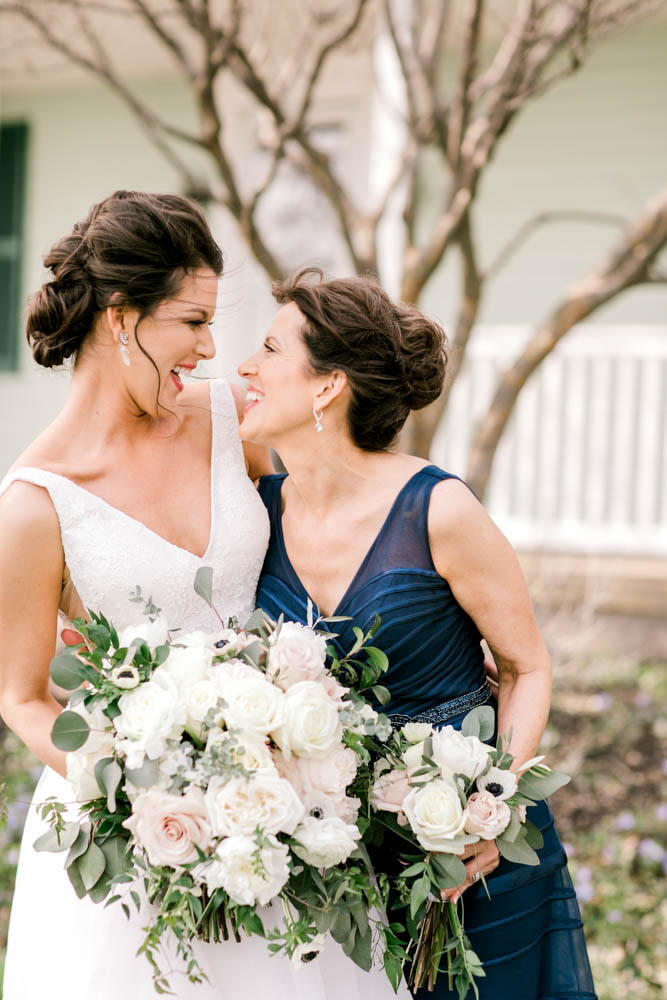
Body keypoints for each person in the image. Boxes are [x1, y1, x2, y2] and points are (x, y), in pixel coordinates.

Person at [0, 195, 406, 1000]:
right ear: (122, 319)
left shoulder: (231, 418)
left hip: (282, 796)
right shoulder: (34, 503)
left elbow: (346, 523)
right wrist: (143, 789)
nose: (213, 347)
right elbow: (22, 698)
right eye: (192, 321)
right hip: (136, 832)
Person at [239, 269, 597, 999]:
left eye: (270, 349)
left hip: (469, 861)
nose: (245, 366)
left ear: (325, 387)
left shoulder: (436, 509)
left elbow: (526, 667)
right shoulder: (256, 513)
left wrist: (492, 809)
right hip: (332, 869)